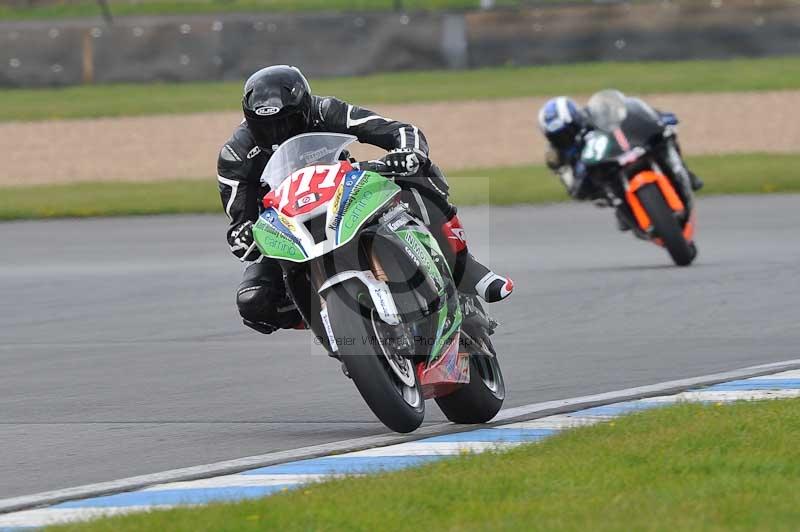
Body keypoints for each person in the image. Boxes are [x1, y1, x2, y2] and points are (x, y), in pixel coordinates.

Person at [217, 65, 513, 335]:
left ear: (305, 109)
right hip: (290, 229)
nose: (277, 134)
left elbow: (401, 131)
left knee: (417, 171)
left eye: (287, 122)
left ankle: (464, 266)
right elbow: (239, 225)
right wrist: (243, 237)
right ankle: (330, 325)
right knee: (254, 300)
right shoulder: (235, 155)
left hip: (343, 196)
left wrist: (407, 153)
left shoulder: (326, 110)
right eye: (265, 126)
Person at [537, 95, 703, 211]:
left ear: (576, 119)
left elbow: (629, 114)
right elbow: (572, 186)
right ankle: (622, 209)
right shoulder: (557, 154)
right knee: (607, 196)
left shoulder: (593, 114)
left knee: (665, 136)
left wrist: (658, 119)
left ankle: (686, 172)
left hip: (623, 150)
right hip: (602, 174)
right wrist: (579, 182)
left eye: (567, 131)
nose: (564, 138)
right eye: (557, 136)